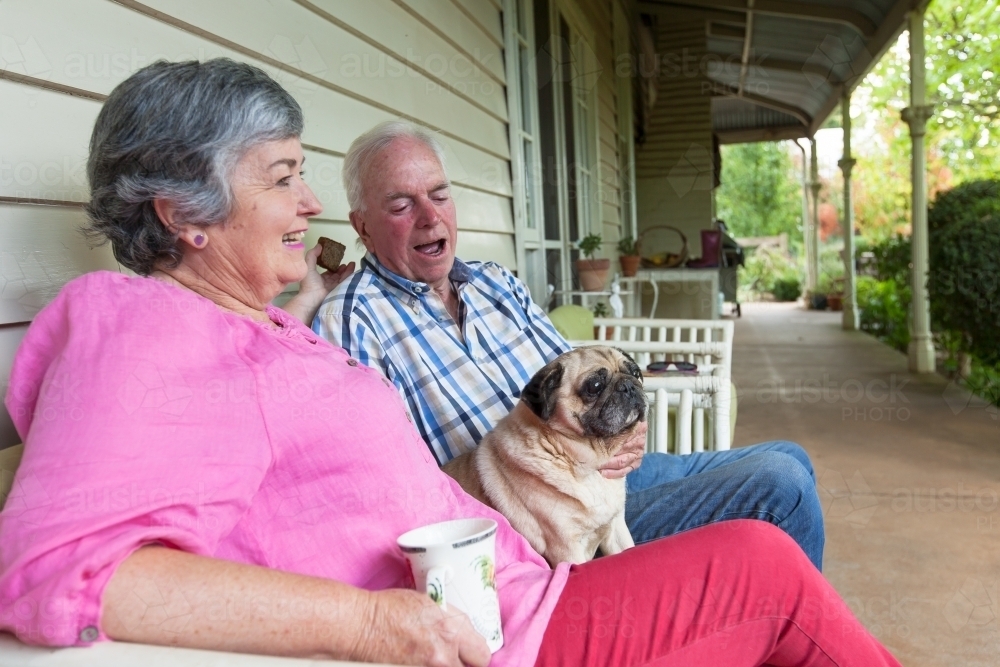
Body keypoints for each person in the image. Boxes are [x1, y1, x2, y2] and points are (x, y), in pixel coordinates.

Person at [0, 59, 902, 667]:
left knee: (771, 521)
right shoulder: (134, 322)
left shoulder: (250, 324)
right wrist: (374, 621)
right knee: (764, 560)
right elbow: (49, 569)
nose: (306, 198)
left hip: (528, 580)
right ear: (181, 213)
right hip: (501, 628)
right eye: (280, 177)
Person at [313, 121, 827, 570]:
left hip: (610, 472)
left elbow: (581, 378)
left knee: (791, 455)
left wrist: (628, 428)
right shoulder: (354, 320)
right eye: (402, 205)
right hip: (552, 520)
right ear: (362, 226)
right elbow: (392, 484)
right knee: (782, 485)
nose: (430, 216)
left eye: (439, 194)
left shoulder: (495, 282)